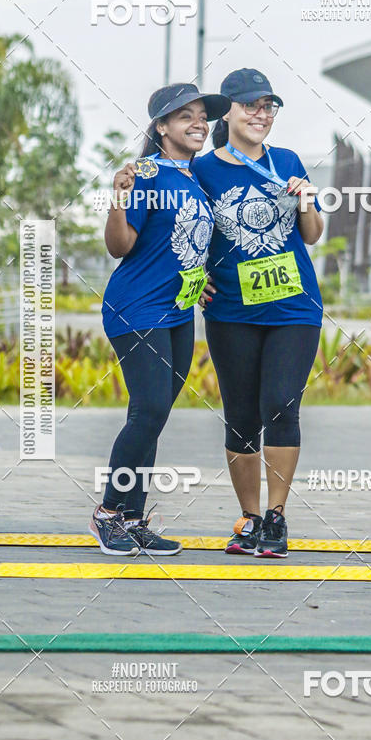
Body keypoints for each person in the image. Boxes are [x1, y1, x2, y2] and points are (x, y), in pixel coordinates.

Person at [89, 83, 230, 555]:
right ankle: (108, 512)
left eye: (202, 116)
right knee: (149, 410)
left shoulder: (193, 179)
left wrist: (200, 274)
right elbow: (121, 246)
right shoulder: (147, 173)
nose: (198, 123)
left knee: (152, 416)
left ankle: (132, 518)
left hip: (176, 312)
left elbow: (183, 244)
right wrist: (117, 197)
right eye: (184, 116)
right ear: (161, 127)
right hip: (136, 307)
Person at [192, 68, 324, 558]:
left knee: (281, 405)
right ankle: (248, 518)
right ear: (227, 111)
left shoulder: (287, 160)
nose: (261, 114)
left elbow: (311, 234)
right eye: (250, 105)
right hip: (231, 308)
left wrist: (307, 202)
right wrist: (195, 274)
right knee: (241, 416)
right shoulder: (204, 170)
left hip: (294, 306)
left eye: (268, 107)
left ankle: (276, 517)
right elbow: (189, 230)